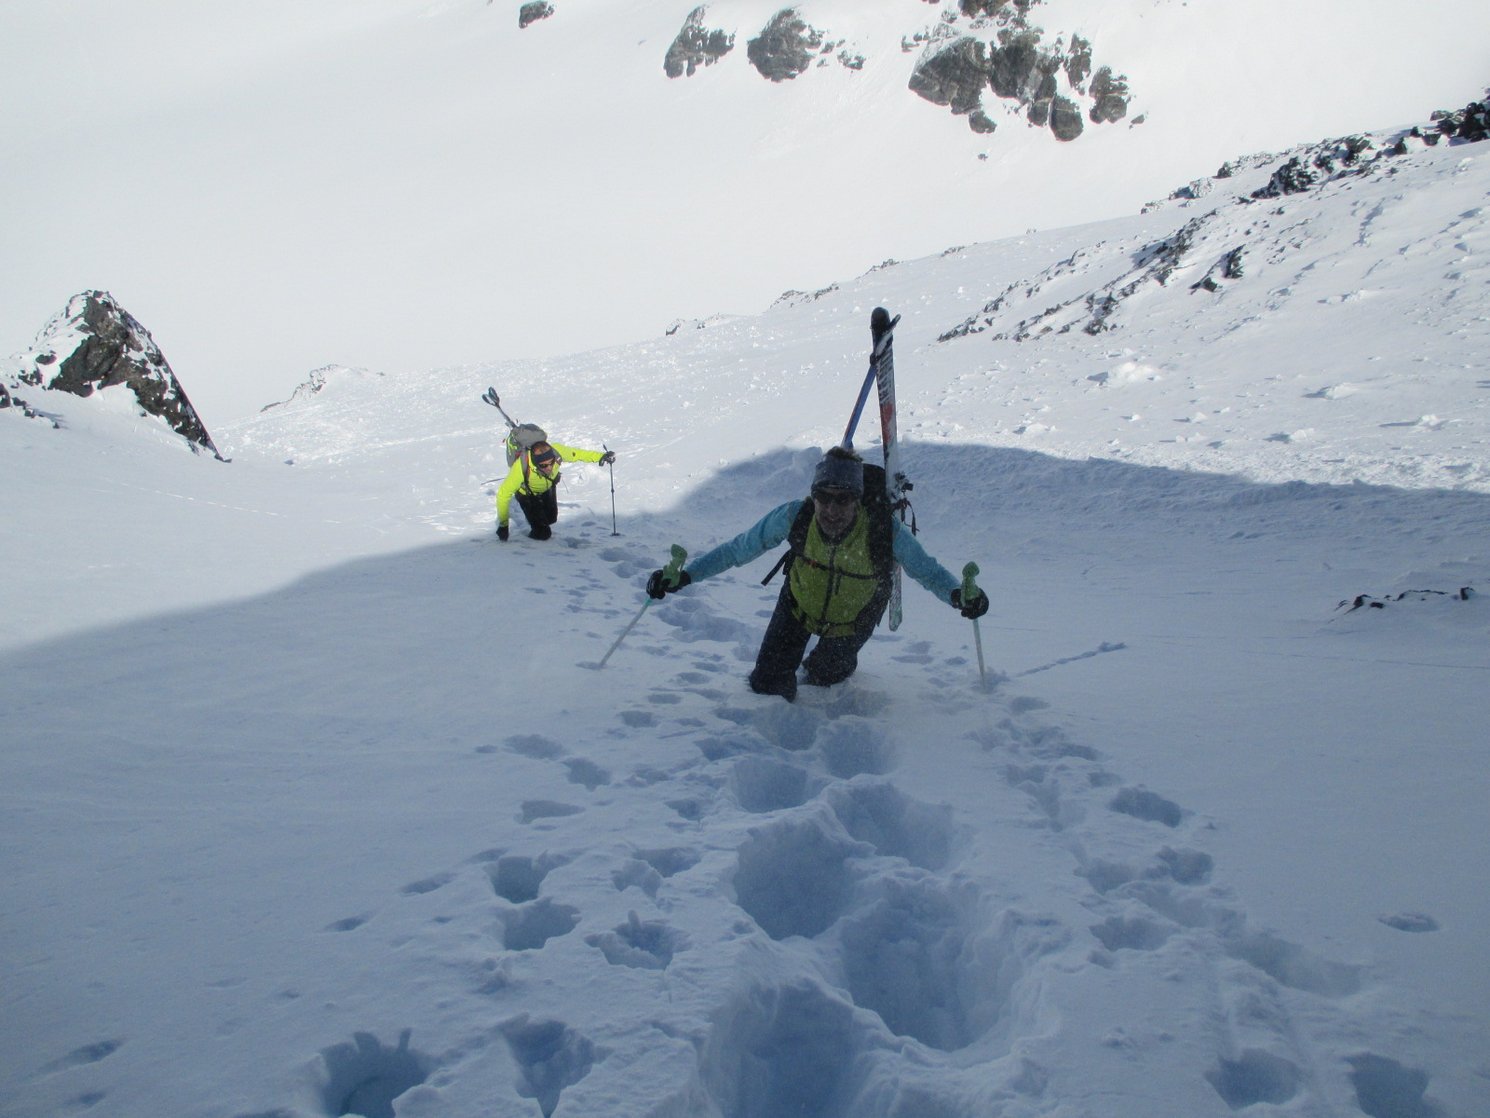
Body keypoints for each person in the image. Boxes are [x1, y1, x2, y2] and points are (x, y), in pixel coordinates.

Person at [645, 446, 988, 701]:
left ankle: (835, 661)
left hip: (854, 619)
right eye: (823, 497)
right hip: (797, 608)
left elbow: (928, 572)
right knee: (768, 686)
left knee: (825, 677)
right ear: (813, 495)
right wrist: (687, 576)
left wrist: (959, 596)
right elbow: (739, 550)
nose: (831, 508)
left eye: (843, 499)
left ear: (857, 500)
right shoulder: (797, 516)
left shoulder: (884, 531)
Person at [496, 438, 614, 541]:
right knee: (543, 533)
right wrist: (503, 525)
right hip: (526, 494)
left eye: (551, 463)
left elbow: (577, 454)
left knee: (551, 518)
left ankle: (538, 519)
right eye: (543, 465)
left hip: (547, 487)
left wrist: (601, 457)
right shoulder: (522, 465)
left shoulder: (557, 451)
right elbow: (503, 494)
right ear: (535, 463)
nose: (549, 468)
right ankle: (531, 546)